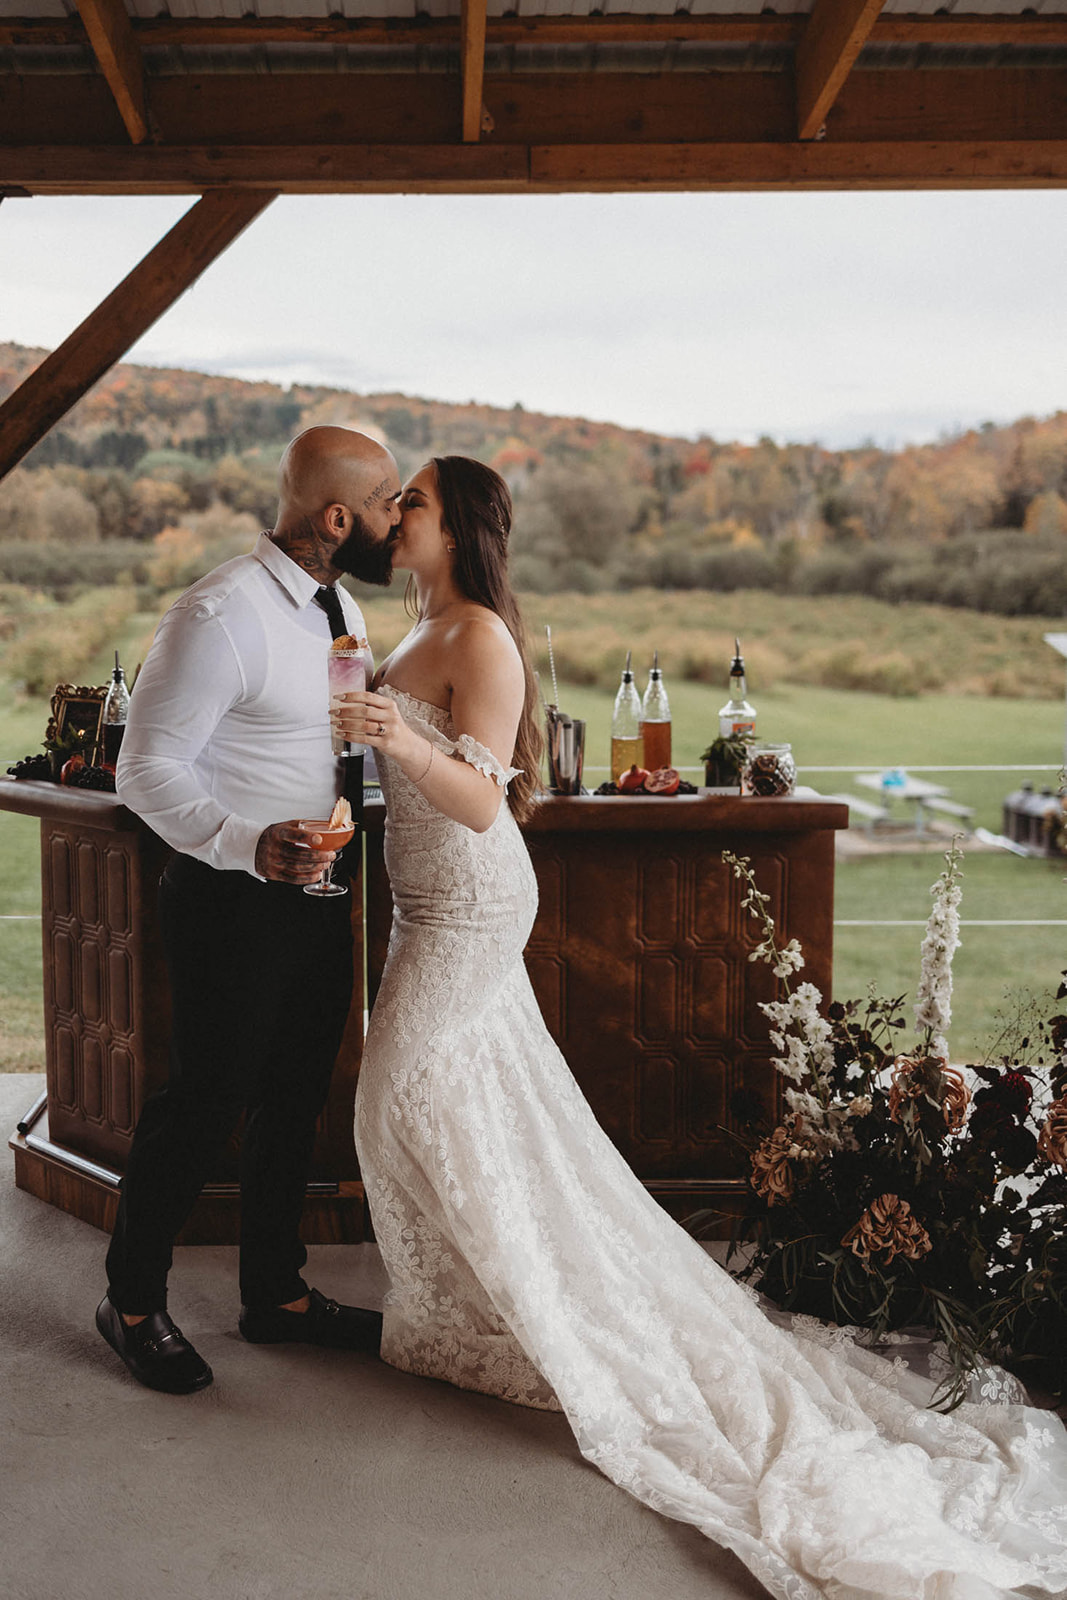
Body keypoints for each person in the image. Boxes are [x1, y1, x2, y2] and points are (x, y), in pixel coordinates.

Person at [335, 454, 1067, 1600]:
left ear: (456, 525)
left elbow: (480, 797)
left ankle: (528, 1312)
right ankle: (479, 1309)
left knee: (402, 1092)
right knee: (452, 1102)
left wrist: (394, 736)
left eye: (412, 501)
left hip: (471, 899)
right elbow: (403, 773)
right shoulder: (412, 626)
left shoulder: (480, 637)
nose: (395, 514)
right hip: (418, 901)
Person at [97, 425, 399, 1394]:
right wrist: (245, 841)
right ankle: (132, 1300)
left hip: (320, 894)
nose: (398, 521)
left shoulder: (340, 604)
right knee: (203, 1102)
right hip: (230, 899)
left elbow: (335, 741)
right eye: (388, 504)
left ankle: (276, 1293)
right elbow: (142, 768)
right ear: (337, 516)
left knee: (295, 1097)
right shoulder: (219, 613)